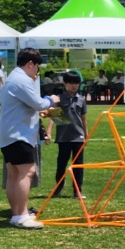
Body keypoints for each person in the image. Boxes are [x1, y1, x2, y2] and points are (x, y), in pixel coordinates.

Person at [0, 48, 57, 229]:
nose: (37, 72)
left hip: (9, 134)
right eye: (37, 67)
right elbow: (38, 103)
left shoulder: (14, 77)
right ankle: (23, 215)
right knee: (26, 173)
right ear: (31, 64)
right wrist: (51, 99)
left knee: (13, 175)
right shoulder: (22, 80)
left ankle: (16, 214)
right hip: (19, 135)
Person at [52, 70, 88, 199]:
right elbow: (53, 116)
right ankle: (59, 186)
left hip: (78, 136)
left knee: (78, 164)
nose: (74, 86)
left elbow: (83, 118)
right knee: (61, 163)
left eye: (76, 83)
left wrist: (86, 134)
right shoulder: (59, 99)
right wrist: (49, 133)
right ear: (65, 84)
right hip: (63, 137)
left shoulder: (81, 100)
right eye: (71, 83)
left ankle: (77, 190)